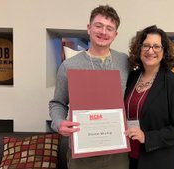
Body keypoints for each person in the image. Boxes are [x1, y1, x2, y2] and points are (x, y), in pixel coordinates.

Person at [49, 5, 129, 169]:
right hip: (81, 154)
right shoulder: (68, 66)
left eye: (109, 28)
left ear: (115, 34)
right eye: (98, 26)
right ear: (89, 28)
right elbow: (57, 103)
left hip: (117, 154)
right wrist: (58, 122)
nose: (103, 32)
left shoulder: (125, 62)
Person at [124, 25, 174, 169]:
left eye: (156, 46)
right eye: (146, 46)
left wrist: (147, 137)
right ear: (139, 49)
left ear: (164, 51)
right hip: (128, 158)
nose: (150, 51)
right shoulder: (131, 77)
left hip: (157, 160)